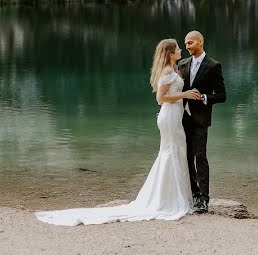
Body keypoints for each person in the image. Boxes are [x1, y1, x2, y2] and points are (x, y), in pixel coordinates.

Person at [35, 39, 200, 226]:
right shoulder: (168, 71)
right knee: (171, 152)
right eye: (178, 48)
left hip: (175, 117)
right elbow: (160, 98)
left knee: (176, 152)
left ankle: (176, 197)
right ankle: (170, 200)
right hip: (169, 118)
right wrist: (184, 95)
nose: (180, 50)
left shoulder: (174, 69)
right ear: (170, 53)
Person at [177, 30, 227, 214]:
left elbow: (222, 96)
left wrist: (205, 97)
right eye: (185, 43)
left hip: (200, 120)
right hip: (181, 119)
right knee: (186, 157)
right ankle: (193, 194)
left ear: (200, 41)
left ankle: (204, 199)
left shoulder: (213, 66)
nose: (187, 46)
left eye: (190, 43)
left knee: (200, 157)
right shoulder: (182, 64)